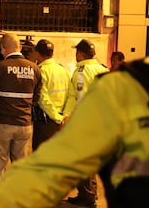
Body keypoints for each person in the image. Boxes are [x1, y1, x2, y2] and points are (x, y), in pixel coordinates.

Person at [0, 36, 149, 208]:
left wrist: (60, 117)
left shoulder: (7, 67)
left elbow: (56, 98)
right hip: (28, 124)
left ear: (4, 49)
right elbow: (39, 95)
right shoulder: (53, 69)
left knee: (0, 164)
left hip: (35, 121)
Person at [0, 32, 42, 185]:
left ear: (3, 49)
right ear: (19, 47)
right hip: (25, 125)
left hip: (2, 124)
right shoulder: (34, 69)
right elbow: (36, 98)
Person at [62, 39, 109, 207]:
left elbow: (75, 98)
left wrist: (66, 116)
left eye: (77, 52)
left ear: (80, 54)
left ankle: (87, 196)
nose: (75, 55)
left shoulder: (81, 72)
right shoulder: (104, 70)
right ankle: (90, 194)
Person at [31, 39, 71, 151]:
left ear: (37, 54)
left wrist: (57, 118)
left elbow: (42, 99)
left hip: (46, 123)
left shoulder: (41, 71)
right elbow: (70, 95)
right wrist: (64, 117)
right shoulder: (63, 70)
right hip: (62, 121)